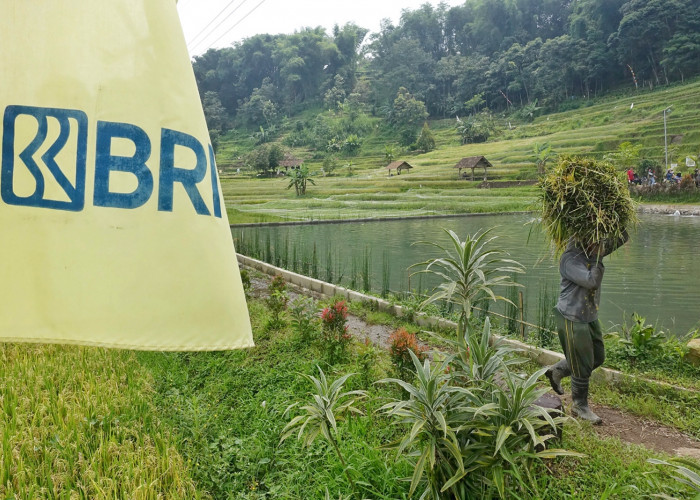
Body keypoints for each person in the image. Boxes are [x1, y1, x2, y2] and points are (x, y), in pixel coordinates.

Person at [545, 232, 628, 424]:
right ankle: (579, 406)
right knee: (582, 365)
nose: (597, 242)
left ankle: (558, 370)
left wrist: (614, 219)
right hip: (572, 317)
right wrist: (598, 255)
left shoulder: (591, 251)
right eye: (592, 238)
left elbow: (622, 237)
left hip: (589, 316)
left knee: (597, 358)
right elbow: (592, 282)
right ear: (579, 239)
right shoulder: (570, 259)